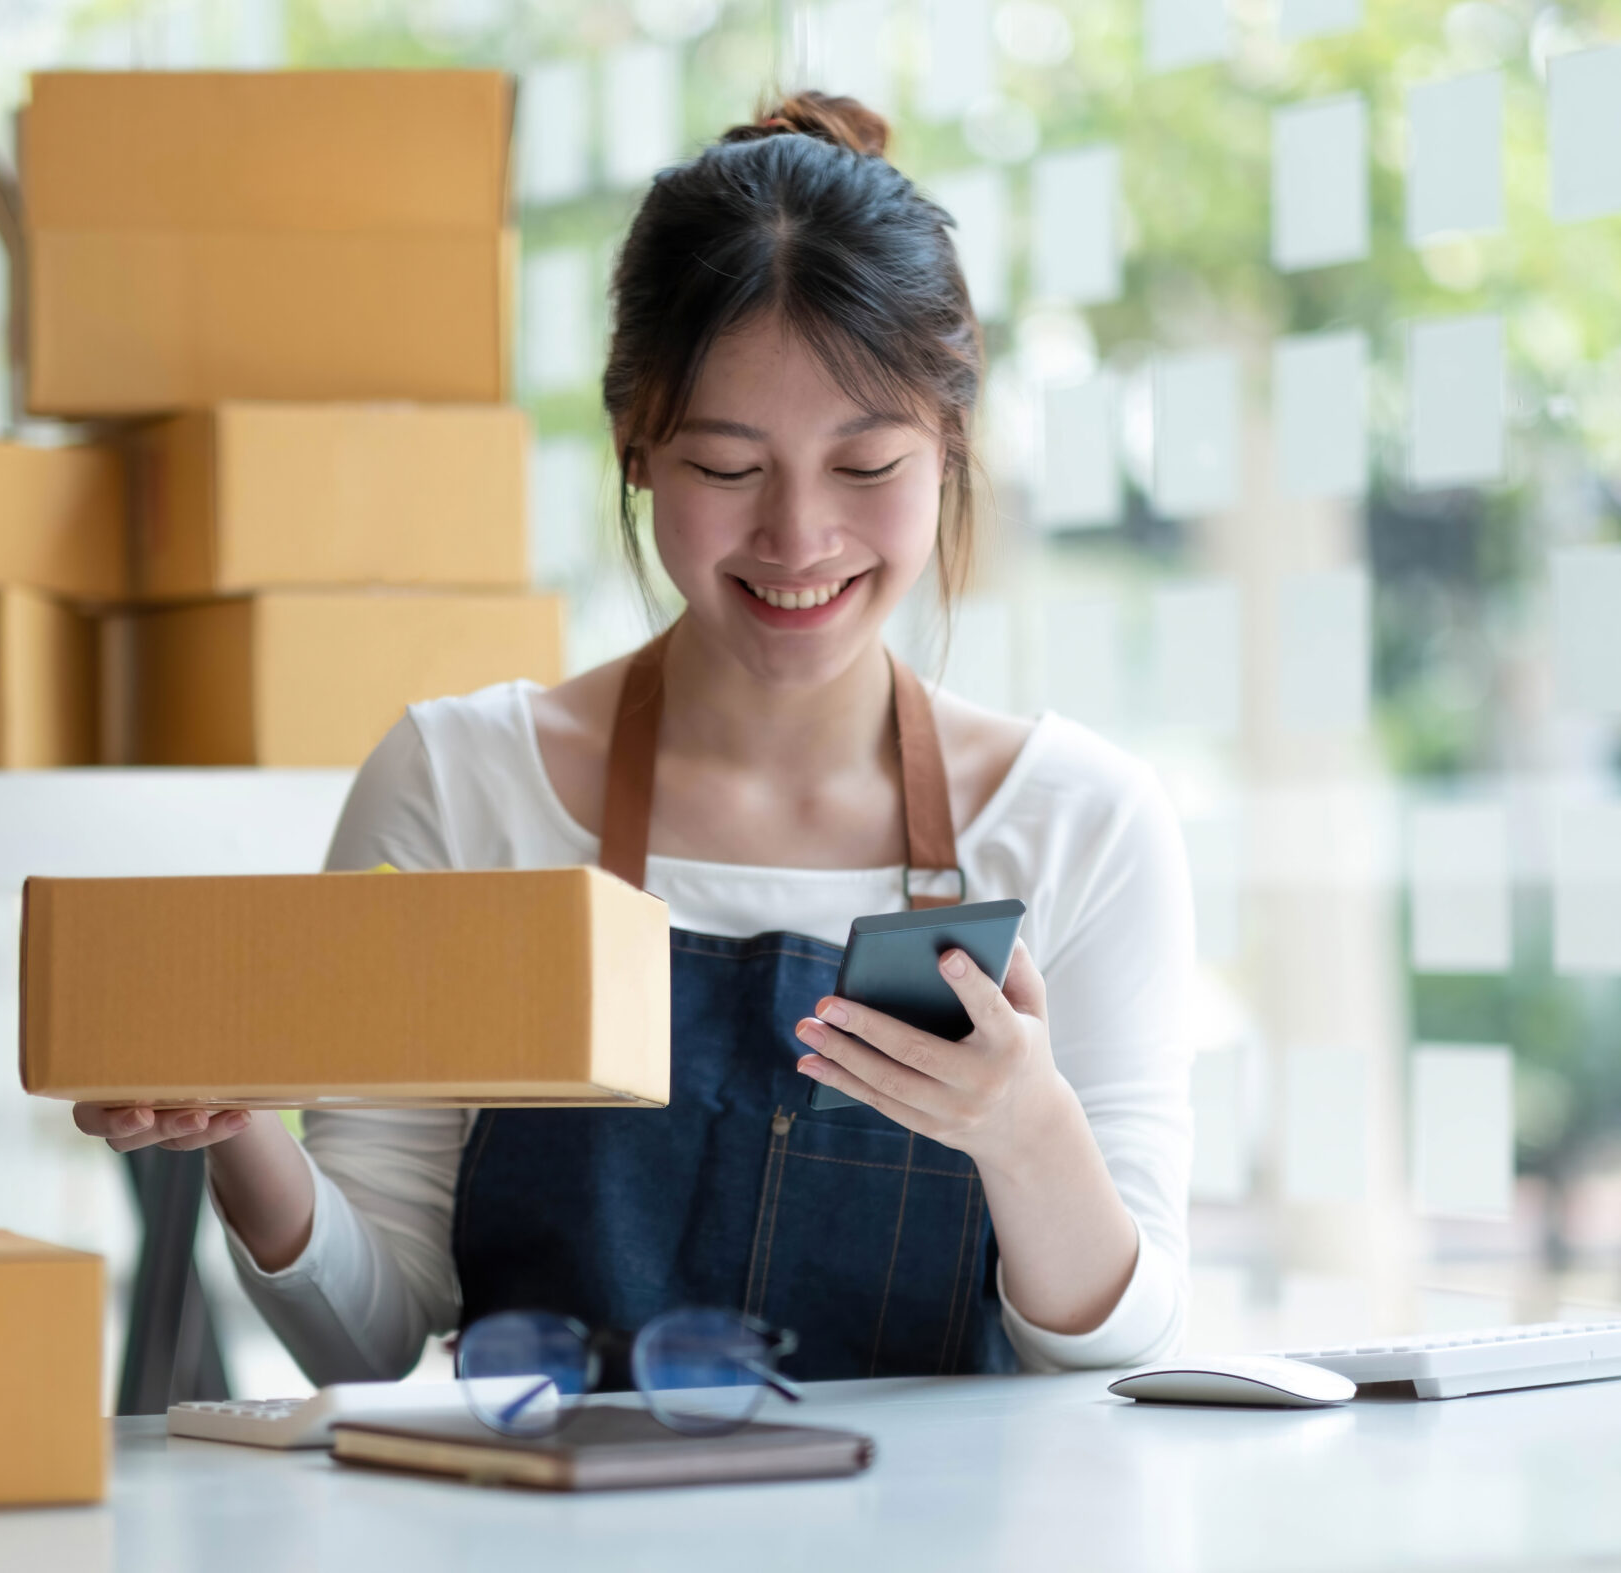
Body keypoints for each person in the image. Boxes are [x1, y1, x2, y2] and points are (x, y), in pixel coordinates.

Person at [78, 92, 1193, 1383]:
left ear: (950, 447)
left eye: (868, 465)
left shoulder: (1080, 823)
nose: (797, 537)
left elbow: (1129, 1362)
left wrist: (1026, 1130)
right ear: (635, 451)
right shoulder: (458, 787)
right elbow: (369, 1334)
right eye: (728, 468)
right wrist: (237, 1130)